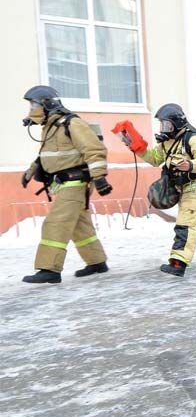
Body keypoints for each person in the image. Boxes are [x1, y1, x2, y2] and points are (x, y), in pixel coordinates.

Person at [131, 103, 196, 276]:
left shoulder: (193, 139)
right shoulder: (167, 143)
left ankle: (178, 262)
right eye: (162, 124)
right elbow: (154, 159)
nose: (164, 128)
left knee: (187, 222)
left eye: (167, 124)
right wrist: (138, 148)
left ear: (177, 123)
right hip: (182, 187)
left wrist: (190, 165)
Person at [19, 86, 112, 284]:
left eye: (34, 104)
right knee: (80, 226)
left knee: (56, 223)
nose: (31, 108)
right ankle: (97, 262)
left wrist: (99, 177)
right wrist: (29, 172)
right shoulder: (50, 127)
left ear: (47, 104)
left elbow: (94, 150)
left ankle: (49, 269)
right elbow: (45, 156)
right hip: (64, 184)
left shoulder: (72, 123)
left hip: (75, 182)